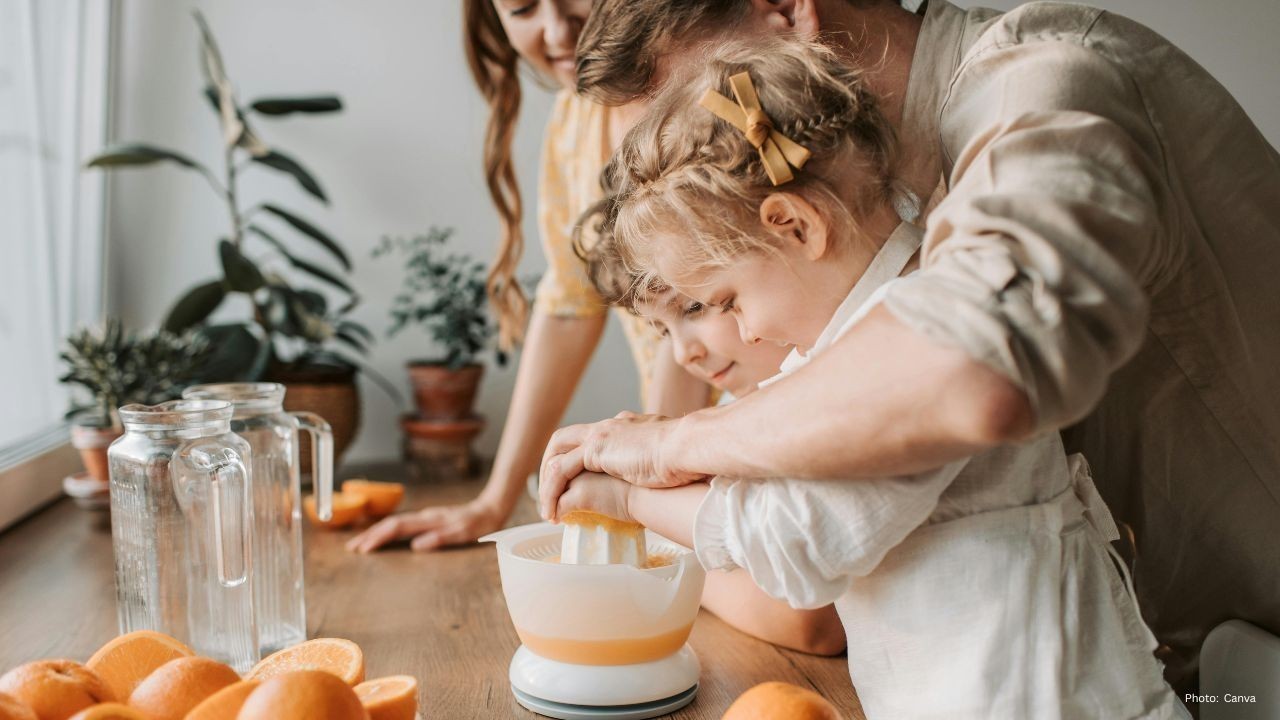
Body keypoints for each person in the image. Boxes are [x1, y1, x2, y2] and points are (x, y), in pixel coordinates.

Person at [541, 0, 1280, 691]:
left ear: (784, 10)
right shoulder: (879, 224)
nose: (698, 169)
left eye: (693, 115)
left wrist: (672, 447)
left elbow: (978, 369)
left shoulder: (1047, 86)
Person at [347, 0, 709, 554]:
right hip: (677, 475)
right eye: (521, 8)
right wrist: (494, 502)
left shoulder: (700, 86)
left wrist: (658, 485)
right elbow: (569, 305)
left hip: (743, 450)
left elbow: (692, 303)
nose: (558, 31)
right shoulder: (574, 119)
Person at [582, 231, 845, 654]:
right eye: (662, 331)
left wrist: (654, 558)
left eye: (694, 306)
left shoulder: (818, 394)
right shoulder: (733, 397)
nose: (684, 354)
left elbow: (810, 621)